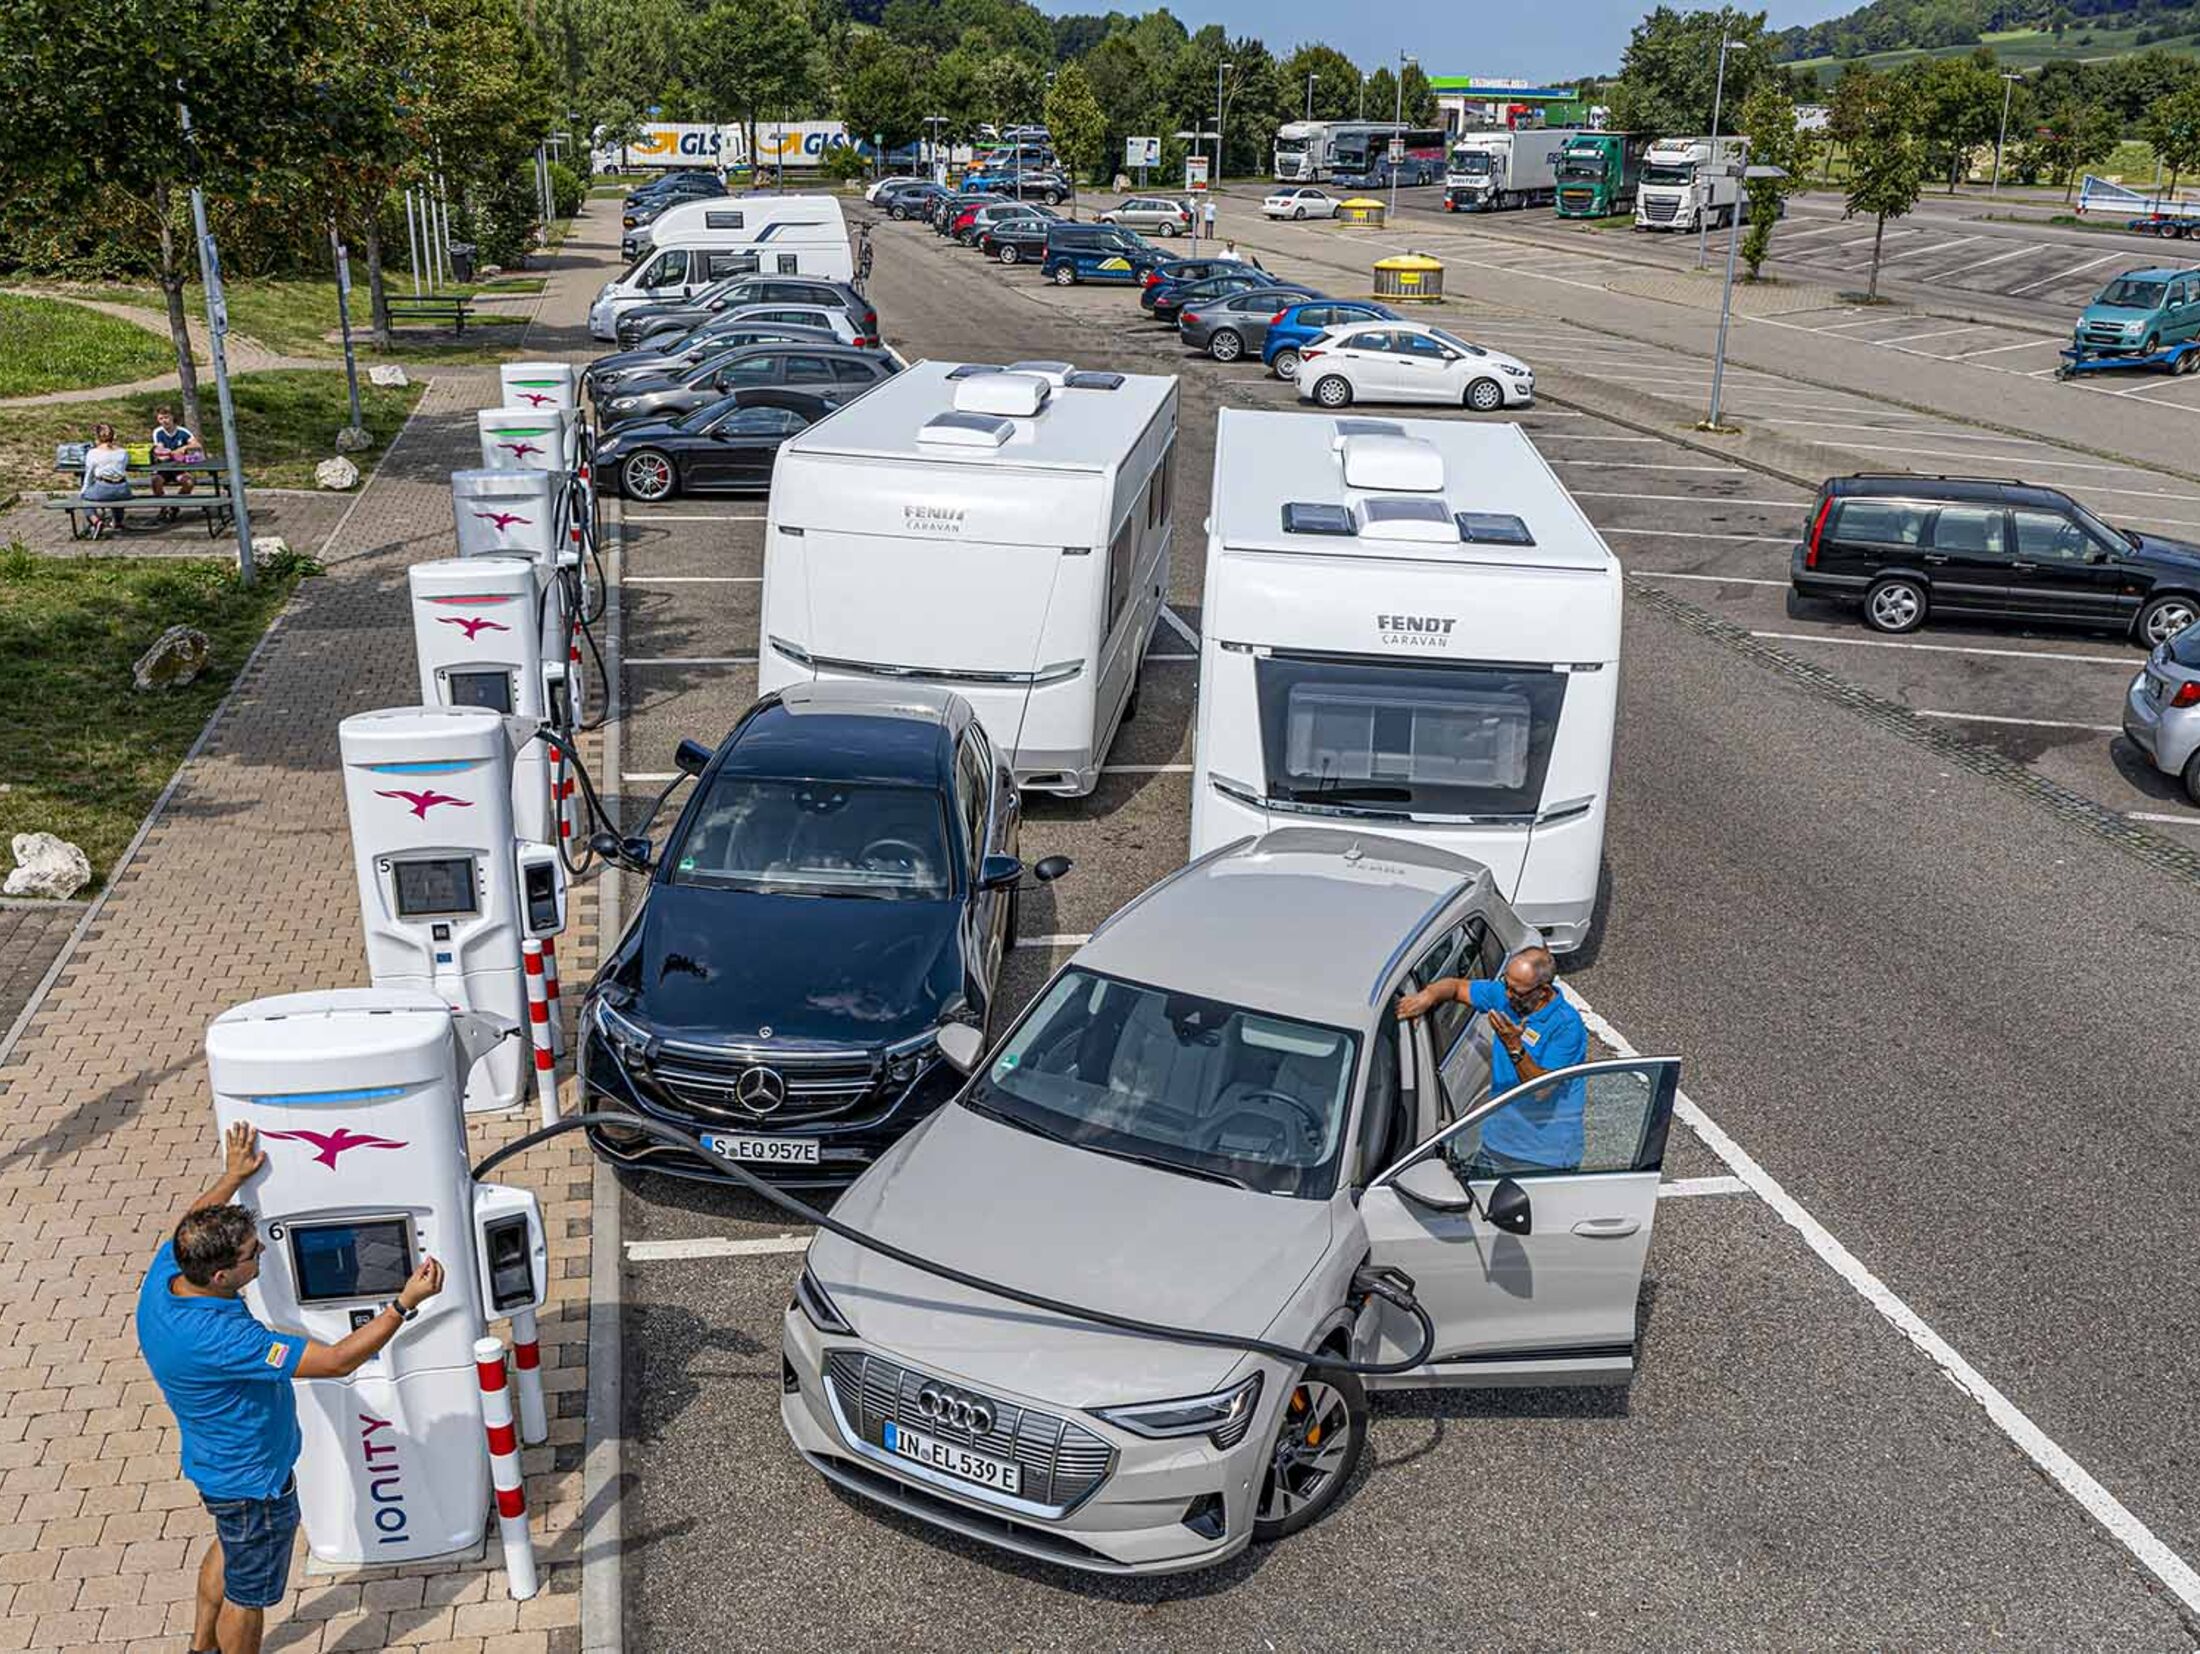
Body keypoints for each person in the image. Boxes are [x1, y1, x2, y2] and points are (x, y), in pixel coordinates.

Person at [137, 1123, 445, 1654]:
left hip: (216, 1471)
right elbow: (336, 1361)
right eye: (254, 1255)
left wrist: (231, 1178)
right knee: (249, 1596)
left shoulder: (168, 1277)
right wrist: (403, 1303)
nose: (264, 1258)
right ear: (219, 1277)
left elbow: (190, 1222)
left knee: (234, 1553)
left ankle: (199, 1648)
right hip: (254, 1482)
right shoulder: (225, 1338)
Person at [1395, 944, 1590, 1176]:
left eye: (1515, 991)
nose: (1507, 994)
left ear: (1544, 992)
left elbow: (1542, 1089)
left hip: (1542, 1158)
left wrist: (1514, 1047)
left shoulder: (1567, 1027)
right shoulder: (1507, 997)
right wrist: (1427, 996)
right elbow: (1456, 988)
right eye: (1506, 984)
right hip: (1496, 1141)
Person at [149, 405, 205, 522]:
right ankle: (163, 507)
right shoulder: (158, 432)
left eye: (166, 417)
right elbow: (159, 449)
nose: (164, 421)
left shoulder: (182, 432)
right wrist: (164, 452)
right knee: (156, 481)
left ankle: (175, 506)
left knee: (189, 482)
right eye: (161, 418)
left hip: (179, 467)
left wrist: (184, 448)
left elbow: (196, 445)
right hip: (163, 468)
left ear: (172, 417)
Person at [80, 421, 133, 538]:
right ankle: (118, 521)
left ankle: (95, 521)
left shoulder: (93, 453)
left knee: (84, 498)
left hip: (103, 487)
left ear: (97, 438)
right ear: (114, 436)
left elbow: (89, 475)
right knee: (116, 497)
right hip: (123, 489)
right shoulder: (123, 452)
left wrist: (84, 490)